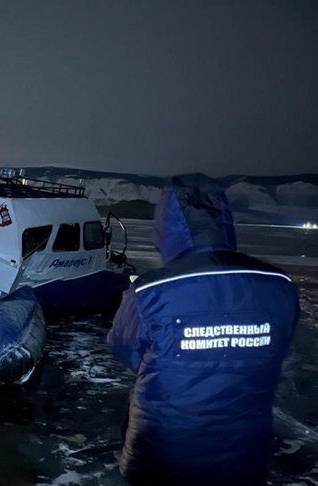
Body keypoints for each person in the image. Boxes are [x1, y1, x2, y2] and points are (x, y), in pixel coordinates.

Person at [108, 175, 300, 486]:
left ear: (166, 226)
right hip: (244, 457)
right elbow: (279, 345)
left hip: (163, 457)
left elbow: (124, 348)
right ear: (224, 219)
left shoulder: (151, 291)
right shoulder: (278, 285)